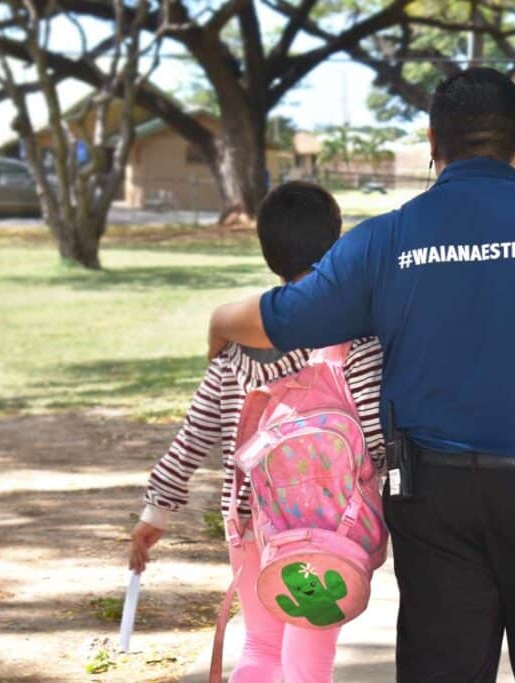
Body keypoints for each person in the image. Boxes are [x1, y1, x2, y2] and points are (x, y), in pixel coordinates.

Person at [205, 68, 515, 683]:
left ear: (431, 142)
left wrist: (219, 319)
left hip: (434, 503)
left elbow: (283, 318)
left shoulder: (384, 240)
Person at [128, 182, 385, 683]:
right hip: (329, 529)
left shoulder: (235, 346)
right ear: (337, 245)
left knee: (263, 648)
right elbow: (376, 434)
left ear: (268, 254)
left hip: (249, 522)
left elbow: (194, 433)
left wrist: (156, 510)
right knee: (309, 664)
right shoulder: (355, 339)